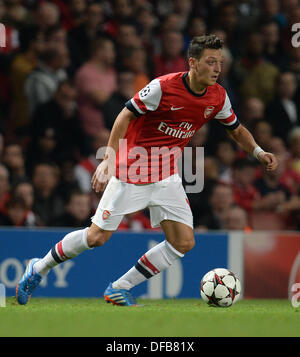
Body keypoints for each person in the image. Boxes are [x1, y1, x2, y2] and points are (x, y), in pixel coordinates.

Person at [16, 35, 278, 306]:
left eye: (219, 63)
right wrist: (108, 158)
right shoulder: (162, 88)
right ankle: (39, 267)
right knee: (96, 237)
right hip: (133, 171)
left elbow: (236, 129)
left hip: (166, 176)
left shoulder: (218, 97)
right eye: (210, 62)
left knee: (183, 242)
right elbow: (124, 115)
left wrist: (258, 151)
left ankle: (120, 287)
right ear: (193, 63)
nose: (217, 69)